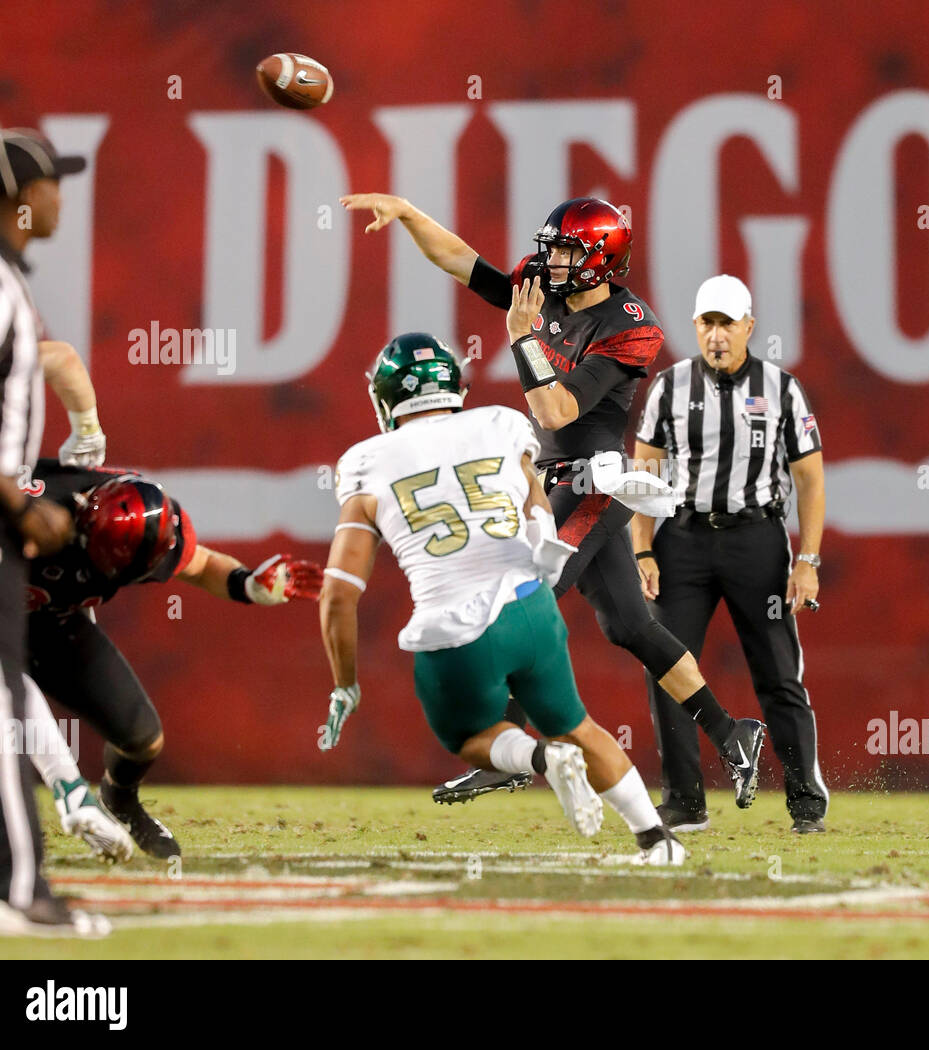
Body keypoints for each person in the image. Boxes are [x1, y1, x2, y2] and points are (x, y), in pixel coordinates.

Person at [339, 192, 765, 809]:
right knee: (629, 625)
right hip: (553, 474)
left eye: (567, 251)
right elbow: (465, 262)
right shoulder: (546, 286)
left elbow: (555, 408)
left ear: (600, 257)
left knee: (523, 594)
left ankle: (502, 748)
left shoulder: (631, 327)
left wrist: (521, 339)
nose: (551, 264)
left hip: (594, 479)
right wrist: (408, 214)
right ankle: (734, 733)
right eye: (553, 250)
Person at [316, 333, 687, 865]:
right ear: (454, 384)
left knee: (470, 737)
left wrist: (345, 683)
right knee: (578, 724)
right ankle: (655, 838)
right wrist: (549, 554)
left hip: (455, 634)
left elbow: (337, 594)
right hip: (530, 608)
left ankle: (540, 757)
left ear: (387, 397)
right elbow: (538, 510)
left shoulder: (366, 462)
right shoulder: (501, 423)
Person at [21, 460, 322, 858]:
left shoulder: (148, 534)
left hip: (51, 623)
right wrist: (67, 785)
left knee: (142, 738)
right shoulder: (35, 517)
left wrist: (247, 584)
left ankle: (120, 802)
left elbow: (201, 565)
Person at [632, 275, 829, 834]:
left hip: (756, 539)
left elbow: (810, 480)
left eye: (726, 323)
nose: (716, 335)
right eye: (706, 323)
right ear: (695, 326)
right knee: (667, 667)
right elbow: (643, 478)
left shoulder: (782, 388)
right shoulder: (668, 388)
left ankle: (805, 802)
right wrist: (643, 550)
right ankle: (686, 799)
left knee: (778, 674)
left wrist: (807, 561)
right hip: (684, 537)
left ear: (749, 326)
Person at [0, 128, 102, 936]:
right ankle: (15, 889)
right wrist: (20, 507)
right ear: (24, 195)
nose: (62, 196)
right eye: (53, 182)